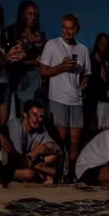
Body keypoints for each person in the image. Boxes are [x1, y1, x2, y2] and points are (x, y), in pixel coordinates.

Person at [37, 13, 89, 170]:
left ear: (77, 30)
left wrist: (84, 83)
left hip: (76, 99)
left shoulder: (83, 49)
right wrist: (62, 67)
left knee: (75, 142)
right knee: (61, 138)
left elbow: (87, 73)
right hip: (58, 97)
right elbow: (43, 72)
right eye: (64, 28)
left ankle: (72, 173)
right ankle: (58, 170)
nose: (67, 31)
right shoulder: (52, 45)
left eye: (71, 28)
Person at [5, 100, 62, 184]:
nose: (38, 120)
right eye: (34, 115)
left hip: (27, 161)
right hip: (8, 164)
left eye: (41, 116)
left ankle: (38, 172)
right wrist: (35, 154)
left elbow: (58, 150)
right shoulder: (16, 126)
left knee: (52, 157)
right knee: (31, 174)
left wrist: (44, 149)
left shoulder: (39, 128)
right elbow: (18, 161)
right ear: (25, 115)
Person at [5, 0, 44, 113]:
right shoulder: (12, 31)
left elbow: (43, 59)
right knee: (15, 114)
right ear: (23, 14)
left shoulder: (40, 35)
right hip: (15, 79)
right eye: (30, 14)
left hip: (34, 82)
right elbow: (12, 57)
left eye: (35, 15)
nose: (33, 17)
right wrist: (29, 43)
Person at [88, 32, 109, 130]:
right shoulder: (90, 58)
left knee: (106, 130)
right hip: (93, 101)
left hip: (107, 101)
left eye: (105, 44)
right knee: (93, 129)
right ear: (97, 44)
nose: (103, 46)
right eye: (100, 43)